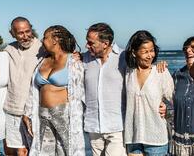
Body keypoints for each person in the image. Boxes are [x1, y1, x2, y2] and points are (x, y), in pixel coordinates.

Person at [83, 23, 166, 156]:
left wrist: (161, 102)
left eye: (90, 42)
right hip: (93, 126)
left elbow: (145, 70)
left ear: (105, 43)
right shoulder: (84, 58)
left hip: (118, 127)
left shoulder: (124, 58)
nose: (87, 45)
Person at [24, 25, 86, 156]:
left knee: (67, 151)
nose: (42, 40)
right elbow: (33, 90)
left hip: (64, 114)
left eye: (45, 37)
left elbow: (81, 91)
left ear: (55, 40)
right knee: (42, 151)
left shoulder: (73, 61)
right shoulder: (42, 61)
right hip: (42, 115)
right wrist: (27, 112)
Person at [124, 30, 174, 156]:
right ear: (134, 52)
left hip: (156, 138)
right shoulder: (128, 73)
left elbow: (175, 100)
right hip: (133, 136)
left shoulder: (161, 72)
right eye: (145, 51)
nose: (150, 55)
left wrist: (167, 109)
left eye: (152, 50)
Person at [4, 17, 45, 156]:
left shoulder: (42, 48)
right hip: (12, 109)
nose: (26, 36)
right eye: (21, 33)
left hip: (33, 111)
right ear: (12, 33)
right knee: (16, 151)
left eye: (28, 31)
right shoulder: (8, 49)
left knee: (35, 151)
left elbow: (62, 58)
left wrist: (77, 56)